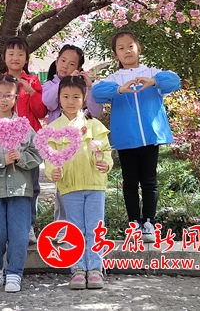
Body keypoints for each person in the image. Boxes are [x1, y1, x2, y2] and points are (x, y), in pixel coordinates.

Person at [92, 31, 180, 243]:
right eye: (121, 48)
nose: (127, 51)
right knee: (130, 183)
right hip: (126, 139)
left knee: (149, 181)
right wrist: (120, 89)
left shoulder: (151, 72)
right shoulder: (114, 78)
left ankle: (148, 223)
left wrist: (153, 81)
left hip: (150, 137)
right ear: (116, 55)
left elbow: (174, 81)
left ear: (138, 48)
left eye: (130, 46)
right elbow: (98, 93)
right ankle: (134, 224)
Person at [0, 74, 42, 293]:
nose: (3, 99)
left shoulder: (24, 126)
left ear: (16, 97)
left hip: (20, 189)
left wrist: (21, 157)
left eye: (8, 95)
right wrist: (0, 160)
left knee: (19, 233)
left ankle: (14, 272)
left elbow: (37, 152)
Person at [43, 75, 113, 289]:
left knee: (95, 228)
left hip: (94, 185)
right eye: (65, 96)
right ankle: (78, 269)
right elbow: (49, 157)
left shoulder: (94, 125)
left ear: (84, 99)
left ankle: (95, 269)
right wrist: (52, 172)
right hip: (69, 186)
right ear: (59, 99)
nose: (70, 101)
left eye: (76, 97)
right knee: (74, 229)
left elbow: (106, 151)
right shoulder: (53, 128)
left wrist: (106, 164)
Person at [0, 37, 46, 243]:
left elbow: (41, 111)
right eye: (11, 53)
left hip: (29, 143)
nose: (15, 57)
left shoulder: (33, 81)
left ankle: (28, 226)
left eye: (20, 54)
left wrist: (30, 91)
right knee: (6, 185)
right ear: (4, 57)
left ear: (26, 58)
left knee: (32, 186)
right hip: (4, 142)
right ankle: (8, 228)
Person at [42, 44, 104, 221]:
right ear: (56, 61)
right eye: (63, 61)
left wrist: (88, 87)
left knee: (77, 192)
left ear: (79, 68)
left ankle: (79, 229)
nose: (65, 66)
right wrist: (65, 83)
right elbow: (49, 102)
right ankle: (62, 228)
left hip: (80, 148)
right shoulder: (50, 84)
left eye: (71, 64)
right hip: (59, 145)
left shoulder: (81, 88)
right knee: (62, 191)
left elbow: (96, 111)